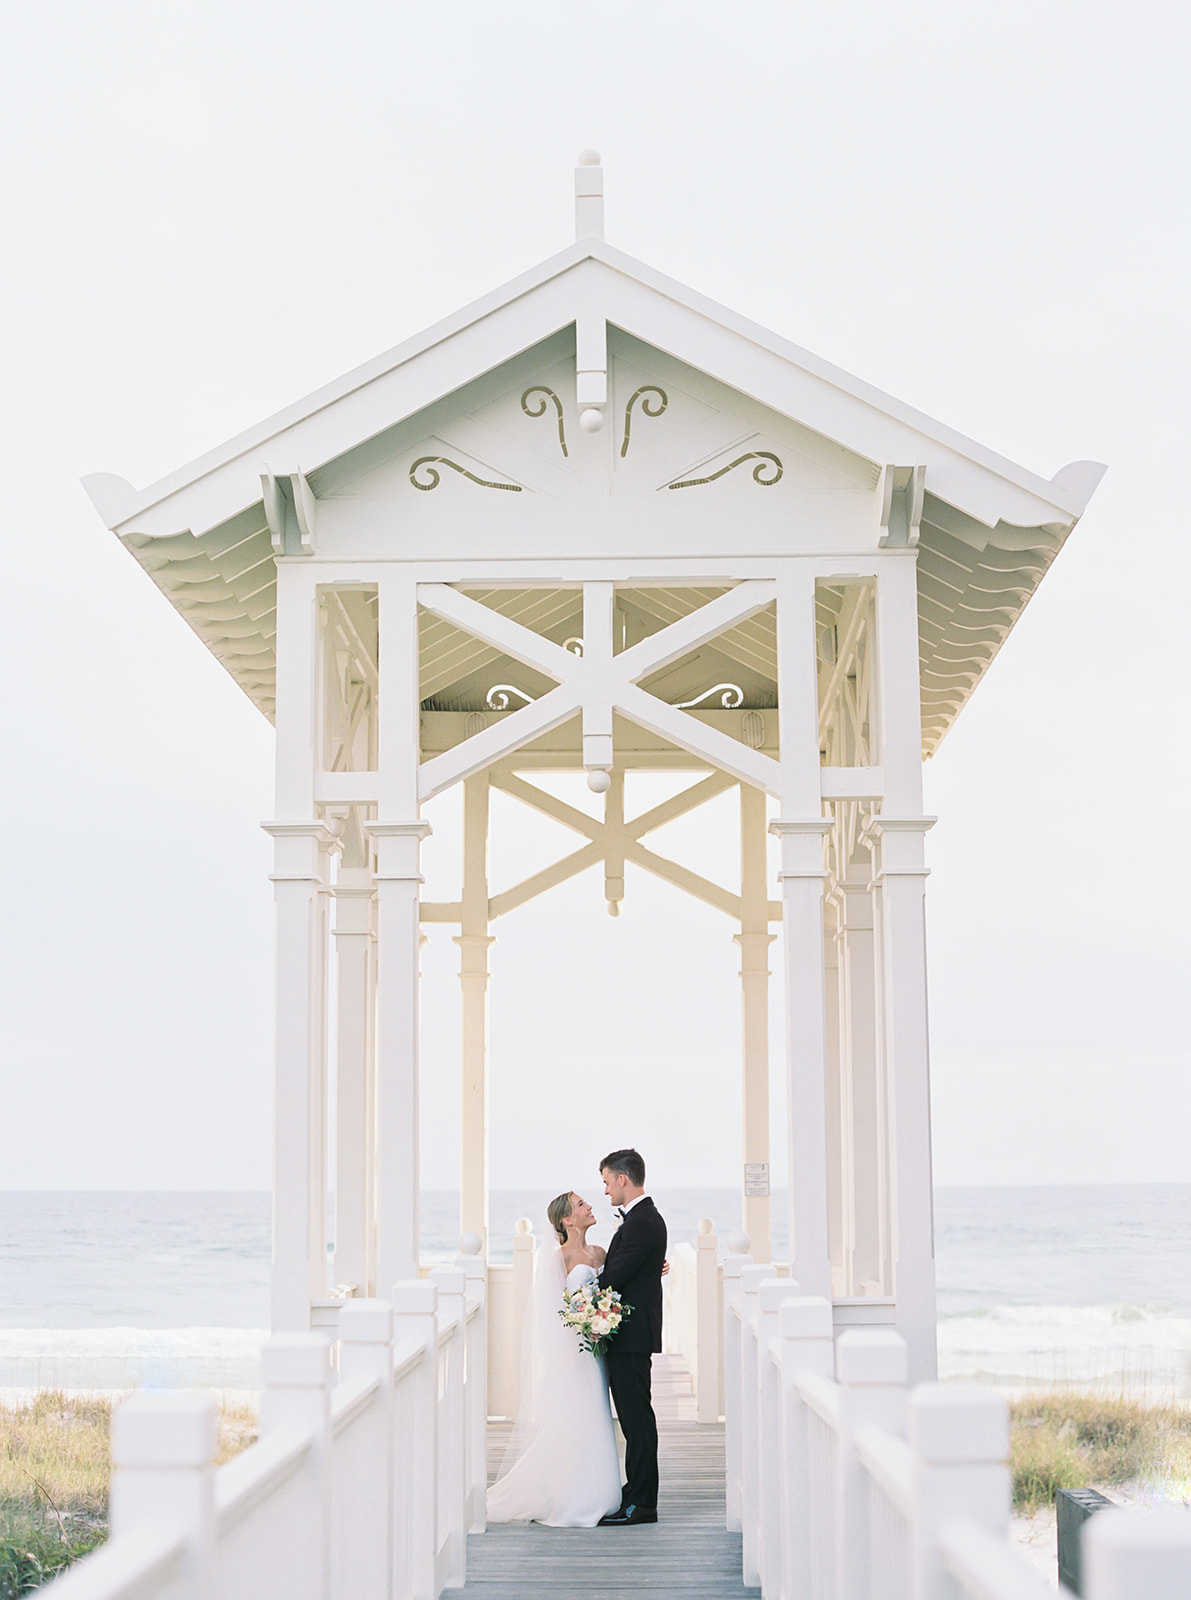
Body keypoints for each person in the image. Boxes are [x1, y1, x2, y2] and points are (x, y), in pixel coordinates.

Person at [486, 1189, 622, 1527]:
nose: (589, 1206)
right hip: (574, 1351)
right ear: (567, 1219)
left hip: (597, 1350)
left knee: (597, 1413)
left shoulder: (599, 1252)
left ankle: (601, 1491)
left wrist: (656, 1267)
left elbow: (619, 1281)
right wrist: (582, 1325)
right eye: (581, 1205)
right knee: (578, 1413)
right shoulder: (559, 1258)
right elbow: (550, 1310)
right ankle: (575, 1495)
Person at [596, 1147, 667, 1526]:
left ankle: (642, 1502)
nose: (606, 1191)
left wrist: (583, 1291)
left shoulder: (641, 1222)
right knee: (634, 1418)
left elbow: (614, 1276)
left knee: (637, 1420)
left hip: (631, 1335)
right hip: (629, 1334)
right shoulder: (642, 1220)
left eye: (607, 1182)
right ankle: (634, 1491)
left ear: (623, 1179)